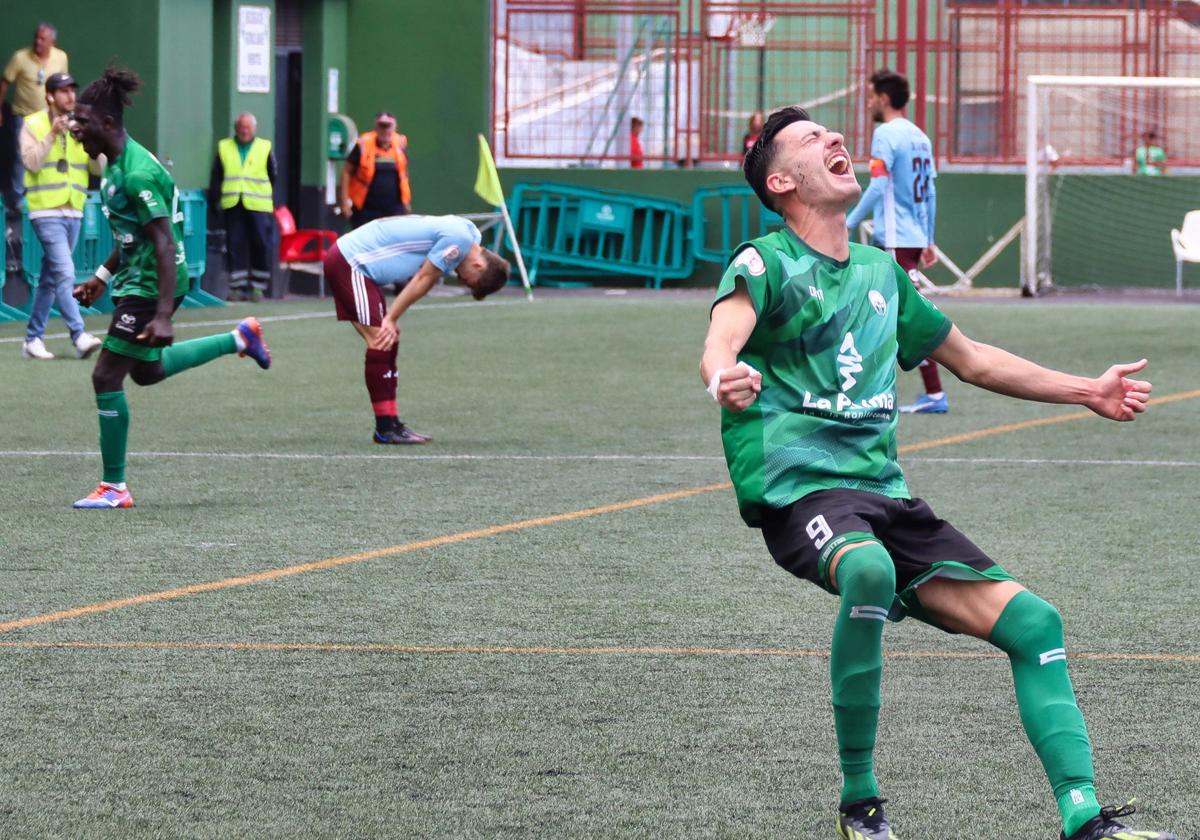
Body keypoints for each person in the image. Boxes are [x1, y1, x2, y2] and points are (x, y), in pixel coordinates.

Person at [701, 105, 1173, 840]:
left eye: (832, 132)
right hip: (802, 492)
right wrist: (724, 376)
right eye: (808, 138)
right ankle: (862, 808)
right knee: (867, 573)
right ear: (782, 180)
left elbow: (973, 359)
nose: (833, 137)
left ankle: (1084, 818)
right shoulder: (764, 263)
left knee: (1034, 622)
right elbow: (721, 339)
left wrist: (1088, 389)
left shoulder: (881, 274)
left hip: (886, 497)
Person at [68, 67, 272, 510]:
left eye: (82, 122)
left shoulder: (137, 174)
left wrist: (161, 314)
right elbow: (133, 237)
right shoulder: (117, 166)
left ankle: (114, 488)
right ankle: (240, 338)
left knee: (105, 374)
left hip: (152, 285)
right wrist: (101, 278)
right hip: (137, 279)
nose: (75, 129)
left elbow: (163, 241)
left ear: (106, 124)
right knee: (146, 371)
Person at [322, 215, 510, 444]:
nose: (462, 281)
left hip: (356, 264)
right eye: (470, 282)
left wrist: (392, 318)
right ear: (479, 265)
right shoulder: (460, 239)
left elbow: (427, 278)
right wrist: (391, 317)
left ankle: (391, 424)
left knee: (388, 338)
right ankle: (385, 428)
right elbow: (424, 277)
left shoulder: (470, 236)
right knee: (381, 339)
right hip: (351, 262)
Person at [846, 69, 947, 415]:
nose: (869, 102)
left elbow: (876, 185)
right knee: (873, 309)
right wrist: (929, 237)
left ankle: (933, 392)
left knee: (903, 313)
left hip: (893, 237)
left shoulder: (885, 134)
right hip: (911, 236)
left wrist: (848, 221)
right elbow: (930, 192)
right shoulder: (920, 136)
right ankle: (868, 388)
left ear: (884, 99)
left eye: (872, 96)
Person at [19, 72, 101, 361]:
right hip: (46, 211)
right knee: (65, 273)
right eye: (63, 91)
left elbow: (98, 169)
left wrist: (94, 138)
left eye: (72, 90)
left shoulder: (81, 125)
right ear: (50, 96)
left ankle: (32, 339)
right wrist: (53, 133)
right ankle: (79, 335)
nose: (70, 96)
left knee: (50, 279)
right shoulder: (33, 124)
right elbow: (30, 162)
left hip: (74, 211)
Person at [1, 23, 69, 219]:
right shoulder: (20, 58)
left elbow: (61, 85)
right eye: (36, 37)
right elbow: (5, 82)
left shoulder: (61, 57)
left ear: (51, 42)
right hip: (23, 117)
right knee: (21, 157)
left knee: (47, 154)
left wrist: (62, 111)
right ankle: (16, 203)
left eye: (42, 39)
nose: (37, 42)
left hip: (50, 117)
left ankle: (43, 198)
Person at [208, 112, 276, 300]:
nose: (244, 131)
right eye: (241, 127)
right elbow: (217, 175)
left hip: (258, 205)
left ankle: (257, 287)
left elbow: (273, 175)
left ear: (254, 128)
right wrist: (215, 200)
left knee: (260, 244)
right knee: (234, 244)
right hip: (233, 203)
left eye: (248, 127)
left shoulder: (264, 147)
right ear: (236, 128)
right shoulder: (224, 147)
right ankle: (236, 287)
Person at [339, 112, 411, 229]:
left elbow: (403, 174)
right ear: (376, 127)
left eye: (388, 126)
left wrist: (406, 202)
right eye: (381, 126)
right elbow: (347, 171)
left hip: (394, 209)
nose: (385, 130)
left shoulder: (400, 144)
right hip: (365, 208)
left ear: (394, 128)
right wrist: (344, 202)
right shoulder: (363, 144)